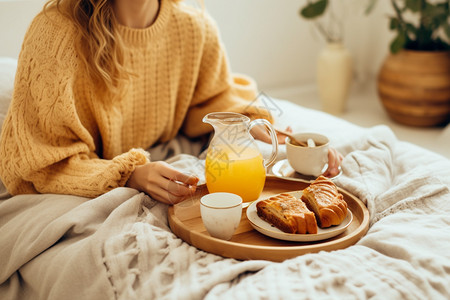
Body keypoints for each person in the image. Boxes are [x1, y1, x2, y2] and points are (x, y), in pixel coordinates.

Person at [0, 0, 342, 205]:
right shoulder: (56, 34)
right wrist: (129, 175)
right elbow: (39, 162)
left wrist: (283, 140)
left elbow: (210, 98)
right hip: (87, 172)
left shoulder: (195, 28)